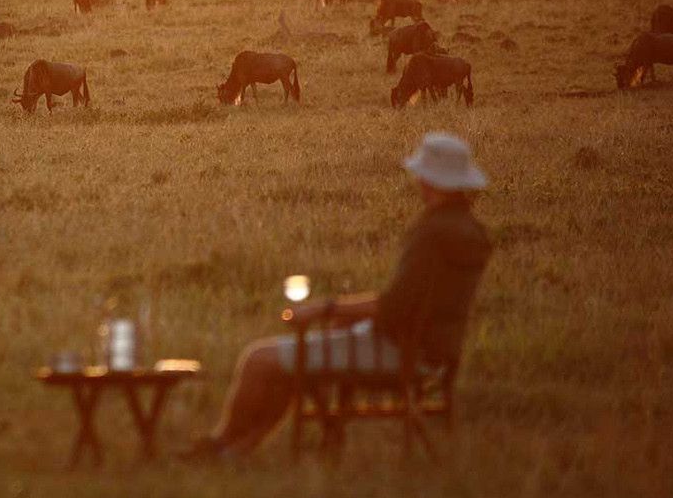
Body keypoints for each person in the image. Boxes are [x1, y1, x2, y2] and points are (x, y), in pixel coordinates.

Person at [186, 132, 493, 459]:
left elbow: (395, 306)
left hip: (398, 351)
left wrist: (325, 307)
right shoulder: (471, 231)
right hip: (437, 352)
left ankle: (220, 442)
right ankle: (239, 448)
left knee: (258, 359)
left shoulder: (431, 233)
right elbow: (416, 301)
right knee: (299, 358)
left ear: (428, 180)